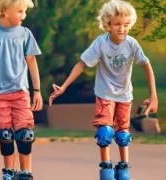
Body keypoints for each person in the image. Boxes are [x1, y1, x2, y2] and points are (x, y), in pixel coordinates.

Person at [49, 0, 158, 179]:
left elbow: (147, 65)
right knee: (105, 133)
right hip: (104, 93)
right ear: (107, 25)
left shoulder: (131, 44)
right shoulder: (100, 43)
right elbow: (82, 64)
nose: (121, 29)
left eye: (125, 25)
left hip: (124, 95)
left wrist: (153, 95)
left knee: (123, 134)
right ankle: (106, 168)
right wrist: (64, 86)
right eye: (117, 25)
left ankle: (123, 167)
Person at [0, 0, 42, 179]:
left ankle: (26, 172)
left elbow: (32, 61)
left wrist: (37, 90)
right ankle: (9, 172)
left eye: (25, 11)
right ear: (4, 10)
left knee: (25, 135)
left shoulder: (25, 34)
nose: (24, 15)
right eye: (20, 11)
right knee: (5, 136)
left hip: (21, 93)